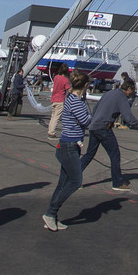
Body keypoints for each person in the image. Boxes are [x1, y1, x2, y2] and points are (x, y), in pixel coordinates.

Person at [42, 69, 93, 231]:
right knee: (75, 181)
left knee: (63, 182)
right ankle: (51, 213)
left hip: (68, 144)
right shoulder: (76, 102)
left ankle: (52, 215)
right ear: (85, 86)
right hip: (70, 146)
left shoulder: (71, 98)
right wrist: (95, 115)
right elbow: (86, 121)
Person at [79, 77, 138, 191]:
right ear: (128, 89)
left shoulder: (110, 93)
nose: (133, 93)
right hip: (103, 129)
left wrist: (97, 120)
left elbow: (96, 108)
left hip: (94, 126)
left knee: (89, 154)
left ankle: (73, 178)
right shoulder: (122, 97)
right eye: (132, 91)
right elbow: (127, 116)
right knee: (115, 155)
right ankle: (117, 183)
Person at [47, 63, 69, 138]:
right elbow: (68, 89)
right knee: (56, 117)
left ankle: (50, 130)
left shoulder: (56, 77)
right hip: (60, 100)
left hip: (54, 99)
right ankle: (52, 132)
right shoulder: (65, 80)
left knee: (53, 116)